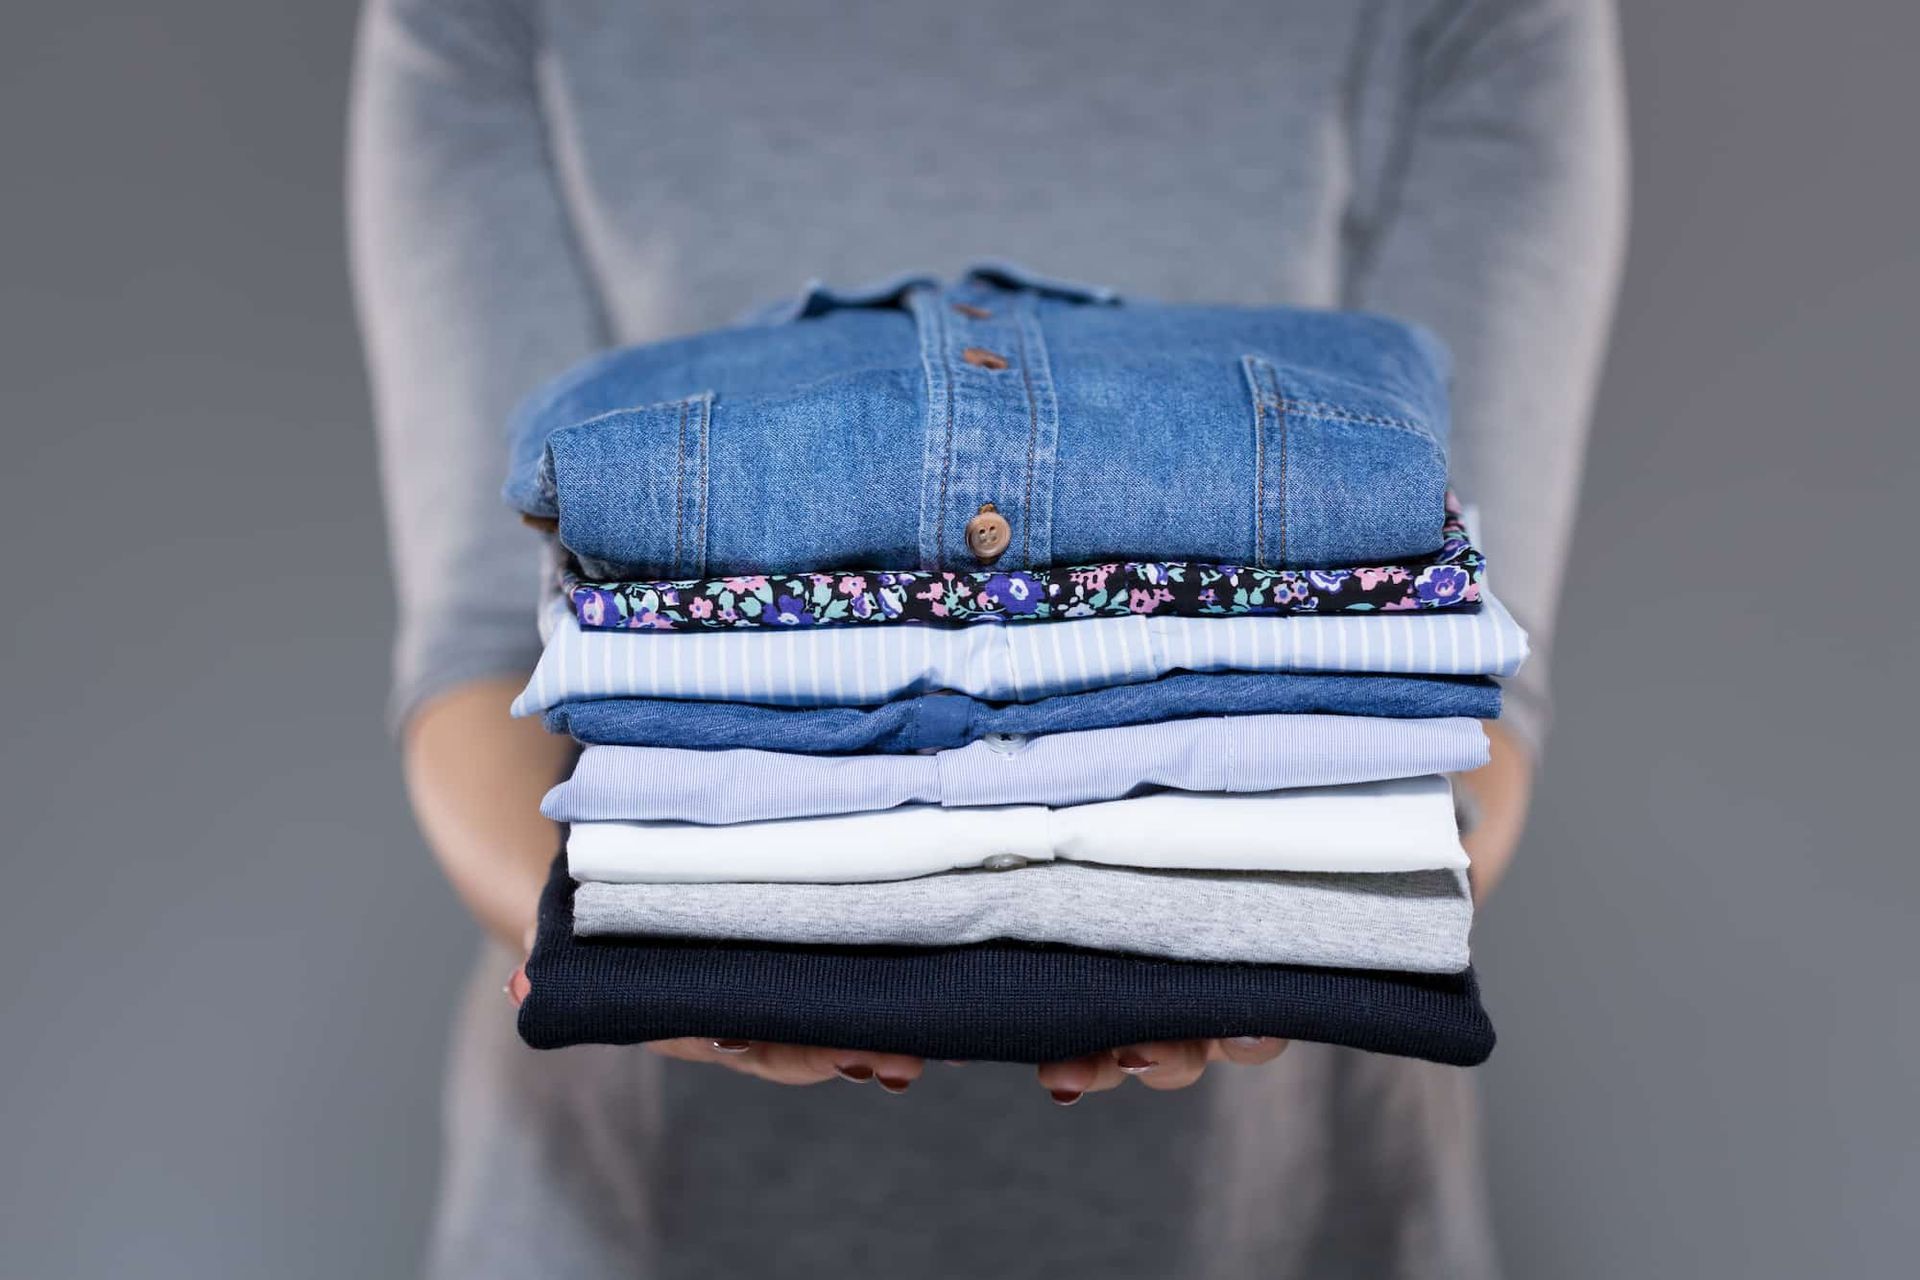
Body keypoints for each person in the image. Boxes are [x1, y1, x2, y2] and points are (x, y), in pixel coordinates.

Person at [349, 1, 1625, 1274]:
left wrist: (1304, 934)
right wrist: (613, 941)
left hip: (1285, 1216)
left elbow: (1466, 678)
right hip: (633, 1206)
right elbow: (482, 651)